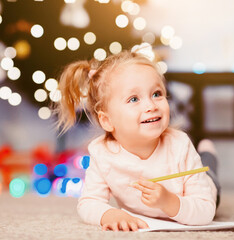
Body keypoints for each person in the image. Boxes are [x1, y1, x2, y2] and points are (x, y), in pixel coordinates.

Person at [54, 49, 220, 232]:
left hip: (204, 188)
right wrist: (110, 215)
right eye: (134, 99)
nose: (151, 106)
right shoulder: (101, 153)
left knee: (209, 172)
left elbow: (205, 210)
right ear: (107, 121)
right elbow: (89, 202)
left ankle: (208, 154)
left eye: (157, 94)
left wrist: (169, 202)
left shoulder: (180, 145)